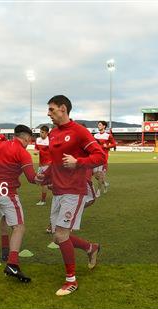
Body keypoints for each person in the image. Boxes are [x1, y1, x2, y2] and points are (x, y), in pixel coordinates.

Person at [39, 95, 106, 296]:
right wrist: (45, 177)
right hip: (58, 190)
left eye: (51, 109)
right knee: (58, 236)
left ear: (62, 108)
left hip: (74, 190)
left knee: (60, 235)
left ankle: (71, 280)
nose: (48, 113)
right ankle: (91, 248)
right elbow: (56, 161)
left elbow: (100, 156)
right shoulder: (52, 133)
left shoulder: (79, 131)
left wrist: (78, 162)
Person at [0, 125, 38, 283]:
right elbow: (32, 178)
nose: (29, 143)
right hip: (6, 192)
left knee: (3, 217)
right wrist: (49, 179)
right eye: (29, 141)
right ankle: (12, 264)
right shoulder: (23, 153)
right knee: (19, 227)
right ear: (25, 138)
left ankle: (5, 250)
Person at [93, 121, 117, 195]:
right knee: (95, 174)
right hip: (96, 156)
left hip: (103, 157)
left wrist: (107, 146)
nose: (98, 126)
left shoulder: (108, 135)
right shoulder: (95, 136)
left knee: (100, 174)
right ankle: (105, 184)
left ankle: (98, 191)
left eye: (100, 125)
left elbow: (114, 144)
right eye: (98, 125)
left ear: (104, 126)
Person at [34, 125, 51, 206]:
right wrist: (36, 151)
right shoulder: (38, 140)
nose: (41, 134)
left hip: (48, 164)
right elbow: (36, 149)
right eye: (40, 132)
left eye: (42, 132)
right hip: (41, 164)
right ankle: (52, 186)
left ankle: (43, 200)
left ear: (47, 133)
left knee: (43, 183)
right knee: (38, 181)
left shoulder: (50, 140)